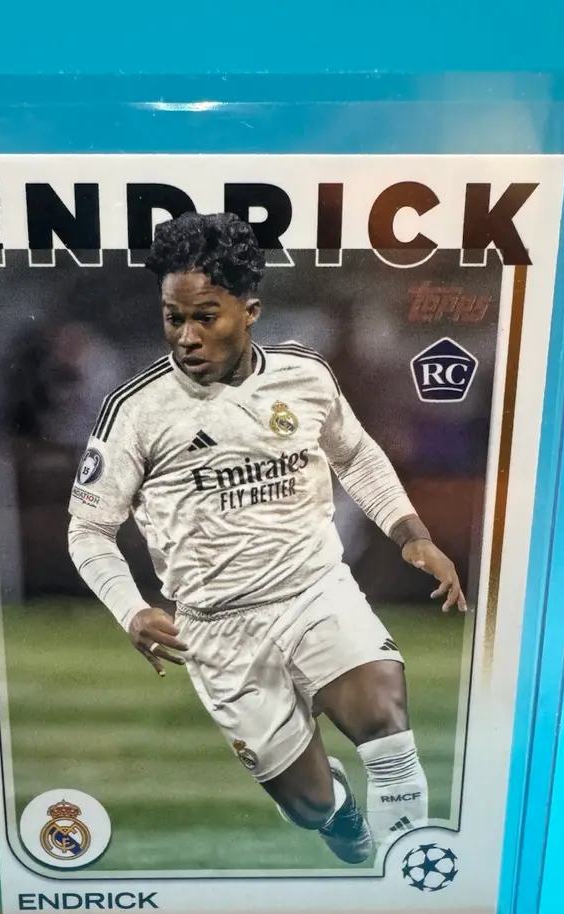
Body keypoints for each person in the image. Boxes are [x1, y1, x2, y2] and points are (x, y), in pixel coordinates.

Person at [67, 212, 466, 865]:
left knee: (385, 723)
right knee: (308, 804)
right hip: (218, 629)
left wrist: (409, 532)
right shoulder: (135, 412)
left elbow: (355, 455)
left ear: (249, 312)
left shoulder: (303, 376)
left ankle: (405, 885)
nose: (187, 337)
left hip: (316, 591)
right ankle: (332, 808)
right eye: (173, 318)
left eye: (206, 317)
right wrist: (131, 609)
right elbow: (88, 529)